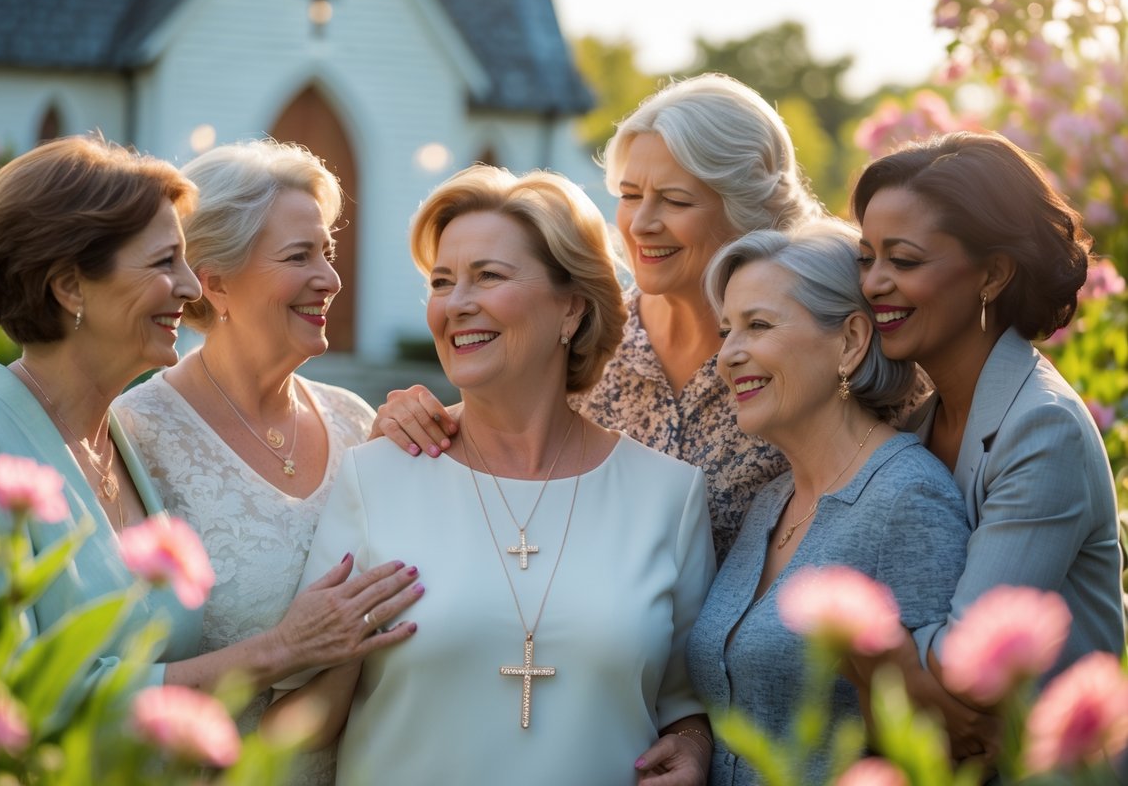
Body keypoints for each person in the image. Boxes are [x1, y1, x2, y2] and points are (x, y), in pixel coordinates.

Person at [0, 136, 417, 727]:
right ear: (71, 287)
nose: (191, 286)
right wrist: (280, 649)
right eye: (164, 263)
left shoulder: (115, 442)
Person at [267, 165, 717, 786]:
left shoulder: (670, 496)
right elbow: (306, 711)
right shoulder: (375, 478)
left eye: (489, 277)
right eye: (442, 281)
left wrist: (694, 746)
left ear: (572, 309)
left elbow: (686, 704)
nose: (455, 304)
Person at [371, 74, 822, 560]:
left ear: (745, 208)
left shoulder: (805, 351)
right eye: (629, 196)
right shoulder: (585, 337)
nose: (641, 223)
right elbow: (495, 432)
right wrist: (405, 430)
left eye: (674, 200)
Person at [113, 140, 420, 785]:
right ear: (215, 279)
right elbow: (114, 673)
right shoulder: (137, 435)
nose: (331, 278)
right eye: (298, 256)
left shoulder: (355, 420)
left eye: (328, 253)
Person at [852, 132, 1123, 728]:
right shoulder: (921, 418)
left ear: (993, 275)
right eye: (865, 258)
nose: (873, 284)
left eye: (903, 260)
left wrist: (864, 643)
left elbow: (969, 664)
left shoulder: (1041, 429)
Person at [686, 221, 971, 785]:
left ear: (850, 341)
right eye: (726, 331)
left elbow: (943, 743)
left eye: (758, 325)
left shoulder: (909, 498)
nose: (727, 356)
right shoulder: (771, 502)